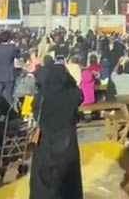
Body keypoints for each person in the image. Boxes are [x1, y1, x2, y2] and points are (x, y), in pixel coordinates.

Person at [29, 62, 84, 199]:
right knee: (68, 182)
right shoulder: (72, 95)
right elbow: (79, 95)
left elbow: (35, 112)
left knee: (43, 182)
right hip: (67, 142)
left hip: (46, 142)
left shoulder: (42, 96)